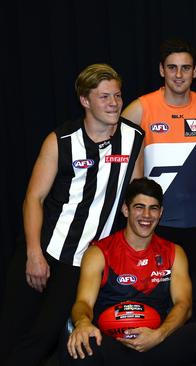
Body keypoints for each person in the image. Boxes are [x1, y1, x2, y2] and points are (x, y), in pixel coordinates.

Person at [0, 64, 144, 366]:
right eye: (104, 97)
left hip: (83, 260)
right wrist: (34, 253)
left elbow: (135, 199)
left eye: (117, 96)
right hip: (45, 247)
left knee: (43, 337)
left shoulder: (134, 139)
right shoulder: (61, 140)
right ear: (85, 100)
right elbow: (33, 198)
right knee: (10, 327)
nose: (114, 103)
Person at [121, 37, 196, 321]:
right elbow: (116, 158)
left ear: (195, 71)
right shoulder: (140, 108)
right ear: (161, 70)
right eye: (172, 67)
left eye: (185, 68)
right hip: (154, 226)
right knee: (156, 303)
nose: (178, 75)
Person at [65, 178, 196, 365]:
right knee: (82, 343)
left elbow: (184, 305)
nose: (147, 215)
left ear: (161, 213)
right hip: (112, 343)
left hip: (156, 341)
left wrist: (158, 335)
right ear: (126, 210)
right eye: (139, 207)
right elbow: (83, 302)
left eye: (154, 208)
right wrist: (83, 323)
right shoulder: (99, 252)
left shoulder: (174, 253)